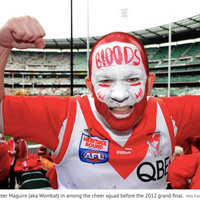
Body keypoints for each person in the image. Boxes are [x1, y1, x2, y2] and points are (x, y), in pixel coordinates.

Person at [1, 16, 200, 189]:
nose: (120, 95)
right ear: (90, 85)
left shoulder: (170, 115)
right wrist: (1, 47)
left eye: (132, 79)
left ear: (149, 84)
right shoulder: (65, 116)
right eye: (105, 80)